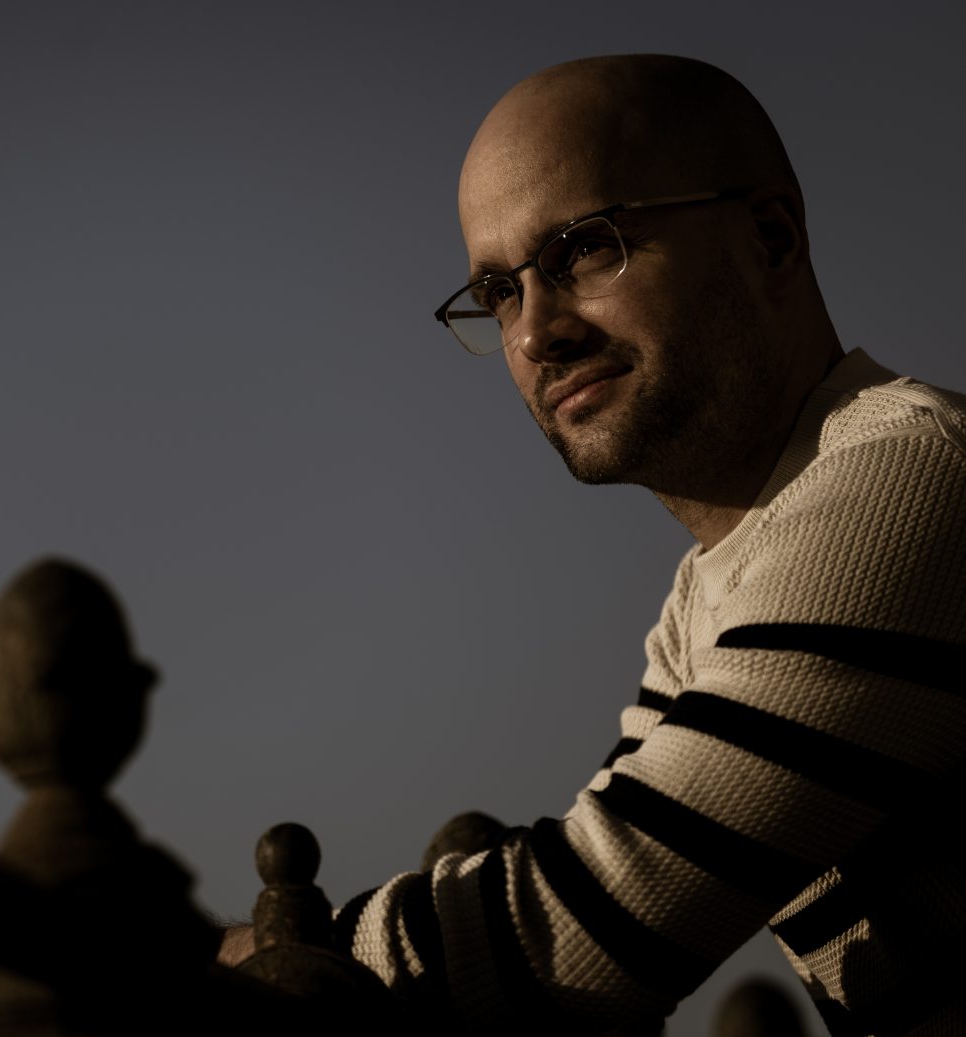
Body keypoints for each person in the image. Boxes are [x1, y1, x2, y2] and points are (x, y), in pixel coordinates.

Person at [220, 55, 964, 1035]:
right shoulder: (701, 602)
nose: (536, 333)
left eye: (582, 249)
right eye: (499, 291)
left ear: (770, 237)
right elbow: (601, 855)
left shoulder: (915, 472)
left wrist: (252, 960)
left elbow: (581, 932)